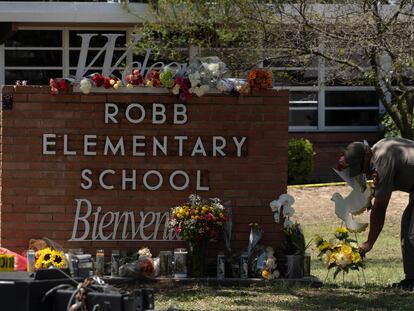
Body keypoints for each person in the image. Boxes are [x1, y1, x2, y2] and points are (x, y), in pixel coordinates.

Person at [340, 137, 414, 290]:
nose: (363, 172)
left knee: (413, 234)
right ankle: (411, 280)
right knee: (408, 227)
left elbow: (380, 208)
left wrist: (369, 243)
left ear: (366, 156)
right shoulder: (379, 148)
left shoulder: (382, 161)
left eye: (361, 168)